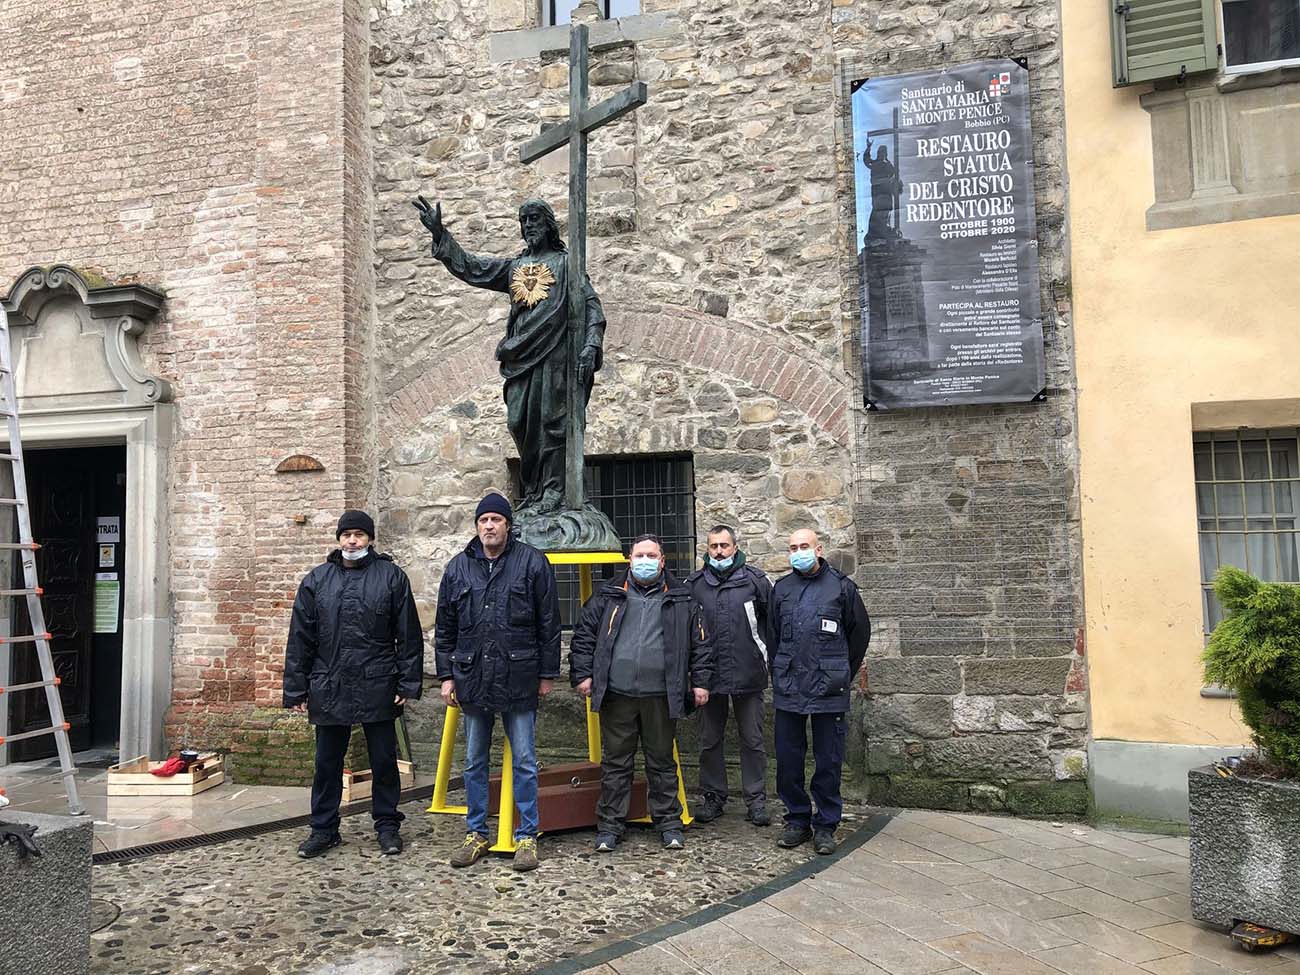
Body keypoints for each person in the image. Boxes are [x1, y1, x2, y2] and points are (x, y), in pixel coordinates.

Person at [413, 195, 606, 515]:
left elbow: (591, 306)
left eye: (534, 219)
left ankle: (554, 493)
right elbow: (474, 268)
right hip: (521, 358)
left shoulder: (567, 263)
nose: (529, 226)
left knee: (553, 423)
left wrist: (591, 345)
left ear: (548, 224)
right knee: (519, 422)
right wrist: (440, 235)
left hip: (556, 357)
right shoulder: (515, 267)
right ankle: (533, 491)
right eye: (524, 221)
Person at [283, 510, 424, 859]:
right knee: (327, 763)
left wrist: (406, 683)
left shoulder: (391, 577)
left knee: (384, 761)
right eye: (346, 535)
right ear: (338, 539)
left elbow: (407, 635)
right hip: (329, 683)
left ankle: (388, 826)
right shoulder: (317, 581)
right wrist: (296, 688)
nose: (352, 541)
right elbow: (301, 637)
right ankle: (324, 828)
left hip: (377, 681)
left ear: (370, 539)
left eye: (359, 535)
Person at [433, 492, 560, 872]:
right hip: (472, 678)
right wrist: (445, 675)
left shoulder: (532, 563)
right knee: (473, 762)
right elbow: (446, 627)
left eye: (496, 520)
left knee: (523, 761)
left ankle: (526, 837)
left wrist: (546, 674)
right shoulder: (458, 568)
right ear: (476, 526)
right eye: (483, 520)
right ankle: (476, 833)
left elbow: (549, 623)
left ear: (508, 525)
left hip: (519, 676)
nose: (489, 526)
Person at [570, 534, 713, 852]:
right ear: (629, 559)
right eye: (639, 555)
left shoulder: (682, 598)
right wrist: (582, 674)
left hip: (661, 695)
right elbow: (584, 636)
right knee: (616, 763)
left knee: (661, 762)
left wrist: (701, 681)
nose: (645, 561)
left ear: (663, 561)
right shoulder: (608, 595)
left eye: (652, 555)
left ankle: (669, 823)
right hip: (617, 695)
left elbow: (701, 645)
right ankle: (610, 826)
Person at [769, 529, 870, 856]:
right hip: (789, 685)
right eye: (793, 547)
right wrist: (780, 668)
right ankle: (796, 819)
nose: (798, 552)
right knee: (788, 757)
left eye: (804, 546)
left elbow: (859, 636)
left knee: (829, 758)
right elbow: (772, 636)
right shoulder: (781, 590)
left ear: (819, 549)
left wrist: (841, 671)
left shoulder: (841, 587)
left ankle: (826, 823)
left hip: (829, 687)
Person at [685, 525, 773, 827]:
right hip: (708, 677)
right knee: (709, 740)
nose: (719, 551)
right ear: (706, 549)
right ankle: (713, 796)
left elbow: (770, 623)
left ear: (735, 547)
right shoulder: (695, 585)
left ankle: (757, 799)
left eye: (724, 545)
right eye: (713, 546)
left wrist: (765, 659)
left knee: (753, 739)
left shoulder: (756, 582)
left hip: (748, 673)